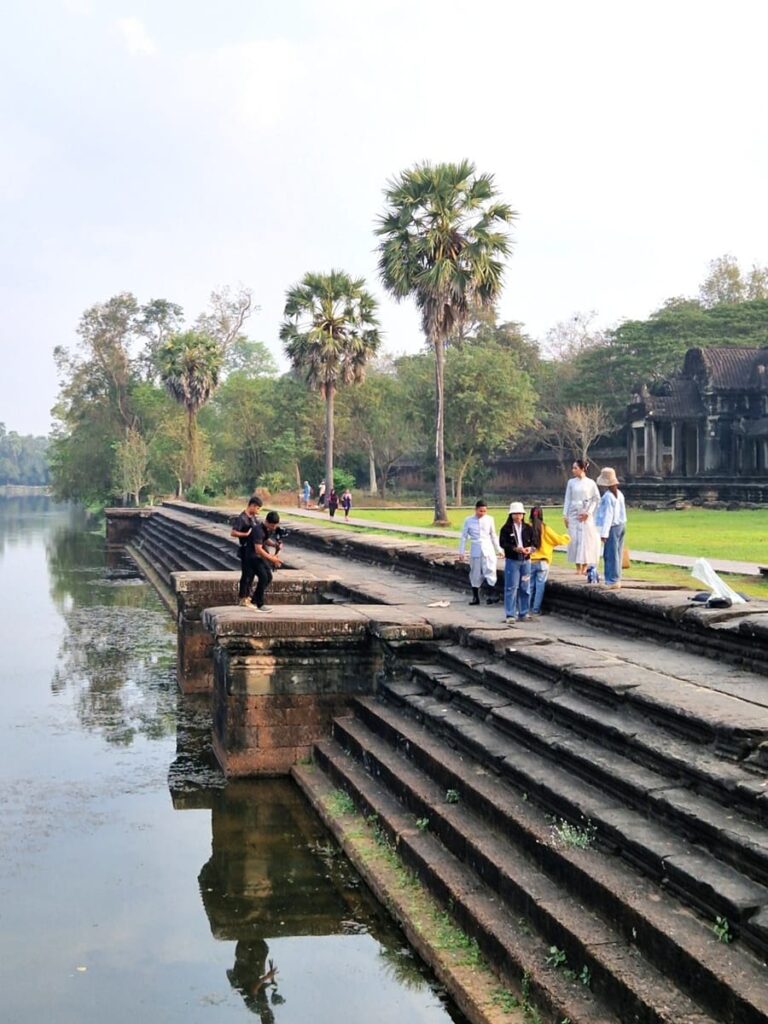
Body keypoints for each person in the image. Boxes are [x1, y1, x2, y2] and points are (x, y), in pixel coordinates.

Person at [457, 499, 502, 605]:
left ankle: (492, 595)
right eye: (480, 511)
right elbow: (464, 537)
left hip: (488, 548)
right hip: (476, 547)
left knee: (490, 570)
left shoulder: (490, 519)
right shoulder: (468, 520)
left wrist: (499, 549)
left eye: (484, 511)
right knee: (475, 572)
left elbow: (493, 535)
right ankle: (475, 597)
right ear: (476, 510)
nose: (482, 513)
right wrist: (461, 552)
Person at [528, 506, 569, 615]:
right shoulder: (545, 528)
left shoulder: (527, 528)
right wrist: (567, 536)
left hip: (530, 562)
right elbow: (558, 540)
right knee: (540, 587)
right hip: (543, 562)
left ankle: (526, 609)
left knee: (529, 587)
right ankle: (536, 610)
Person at [563, 459, 601, 575]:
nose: (573, 470)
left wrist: (588, 512)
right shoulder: (571, 482)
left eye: (576, 468)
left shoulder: (591, 483)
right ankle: (577, 566)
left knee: (585, 540)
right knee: (574, 539)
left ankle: (585, 566)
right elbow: (568, 498)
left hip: (585, 513)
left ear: (582, 469)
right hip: (573, 512)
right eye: (573, 468)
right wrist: (565, 514)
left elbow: (596, 499)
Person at [499, 502, 535, 624]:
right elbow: (503, 543)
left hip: (526, 560)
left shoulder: (528, 528)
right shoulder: (506, 529)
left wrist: (529, 549)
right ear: (511, 515)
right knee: (511, 587)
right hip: (512, 560)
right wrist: (515, 548)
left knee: (525, 587)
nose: (518, 516)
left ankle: (523, 612)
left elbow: (535, 543)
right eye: (516, 514)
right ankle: (510, 614)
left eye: (520, 513)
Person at [596, 467, 627, 590]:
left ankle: (612, 580)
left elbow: (608, 515)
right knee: (617, 553)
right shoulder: (619, 494)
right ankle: (616, 578)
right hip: (621, 524)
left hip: (613, 526)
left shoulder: (608, 496)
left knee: (610, 554)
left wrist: (604, 533)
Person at [231, 495, 264, 606]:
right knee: (246, 574)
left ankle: (247, 596)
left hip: (252, 550)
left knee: (252, 574)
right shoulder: (242, 518)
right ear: (252, 505)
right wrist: (245, 534)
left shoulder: (253, 517)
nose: (258, 510)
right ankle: (242, 597)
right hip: (245, 549)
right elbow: (233, 532)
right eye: (257, 508)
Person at [248, 511, 284, 610]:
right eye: (272, 525)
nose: (273, 527)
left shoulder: (266, 529)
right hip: (252, 557)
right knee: (263, 577)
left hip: (260, 557)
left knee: (269, 577)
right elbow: (258, 549)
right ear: (266, 521)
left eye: (275, 525)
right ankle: (260, 604)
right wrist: (272, 558)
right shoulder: (258, 530)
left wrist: (275, 545)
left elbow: (265, 539)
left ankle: (254, 599)